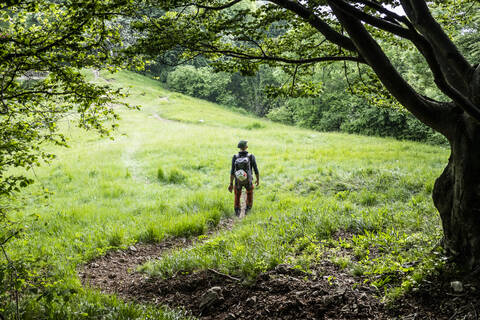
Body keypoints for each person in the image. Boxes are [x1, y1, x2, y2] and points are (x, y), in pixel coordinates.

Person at [228, 140, 259, 217]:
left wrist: (231, 184)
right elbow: (255, 169)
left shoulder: (235, 157)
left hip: (238, 180)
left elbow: (232, 171)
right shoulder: (251, 156)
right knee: (249, 193)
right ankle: (248, 210)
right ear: (246, 147)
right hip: (248, 180)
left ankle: (237, 210)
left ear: (239, 148)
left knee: (237, 194)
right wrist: (257, 179)